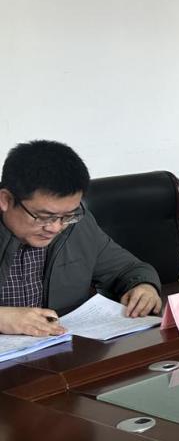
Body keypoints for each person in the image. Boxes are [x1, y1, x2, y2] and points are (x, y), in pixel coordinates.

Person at [0, 140, 161, 336]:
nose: (55, 227)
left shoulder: (77, 226)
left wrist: (143, 287)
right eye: (44, 217)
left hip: (59, 348)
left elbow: (129, 269)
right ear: (6, 200)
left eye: (67, 216)